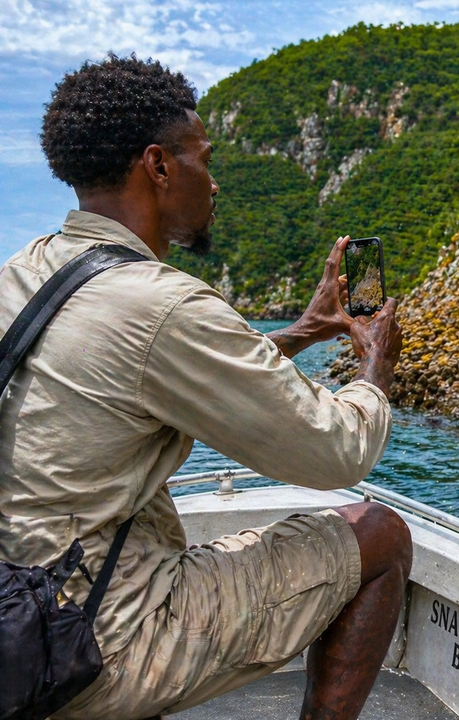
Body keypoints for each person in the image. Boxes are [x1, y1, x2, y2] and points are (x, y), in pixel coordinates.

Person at [0, 54, 410, 720]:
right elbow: (336, 454)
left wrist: (301, 332)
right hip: (96, 644)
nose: (214, 184)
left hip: (16, 619)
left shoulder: (25, 272)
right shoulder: (163, 304)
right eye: (204, 159)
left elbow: (135, 380)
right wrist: (373, 372)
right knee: (381, 534)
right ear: (159, 167)